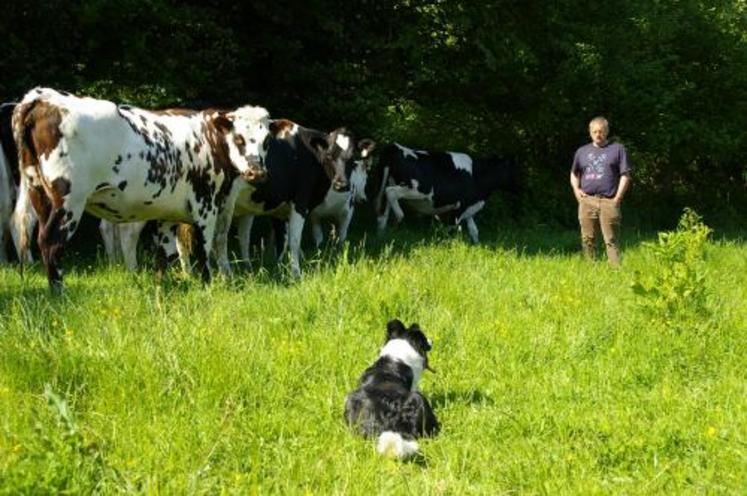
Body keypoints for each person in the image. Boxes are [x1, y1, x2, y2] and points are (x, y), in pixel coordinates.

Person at [570, 116, 632, 266]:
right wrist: (577, 190)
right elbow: (574, 173)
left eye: (601, 131)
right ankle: (591, 269)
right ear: (590, 132)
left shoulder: (617, 149)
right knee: (587, 238)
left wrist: (617, 198)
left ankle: (616, 271)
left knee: (611, 240)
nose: (598, 134)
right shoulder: (582, 151)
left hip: (609, 200)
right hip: (587, 200)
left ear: (607, 131)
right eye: (595, 131)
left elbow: (626, 175)